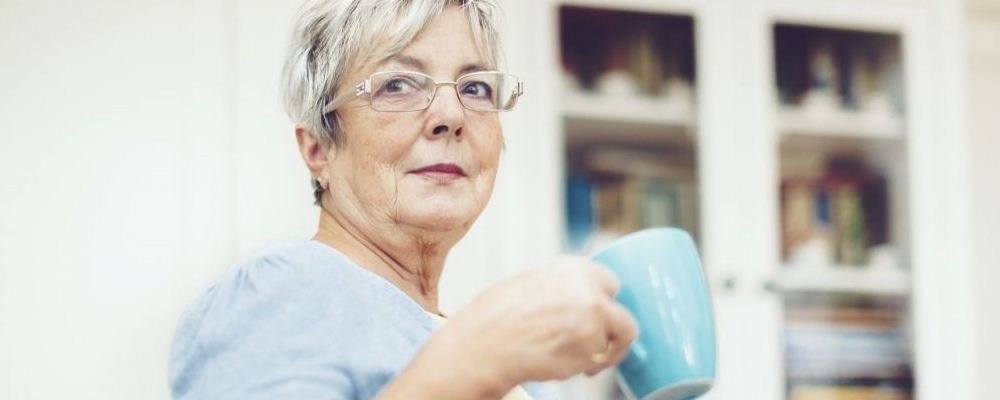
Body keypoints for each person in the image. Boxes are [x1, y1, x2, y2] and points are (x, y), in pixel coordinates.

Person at [168, 1, 638, 398]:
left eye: (475, 88)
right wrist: (476, 357)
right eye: (398, 84)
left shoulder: (495, 354)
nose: (451, 114)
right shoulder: (275, 291)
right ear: (319, 147)